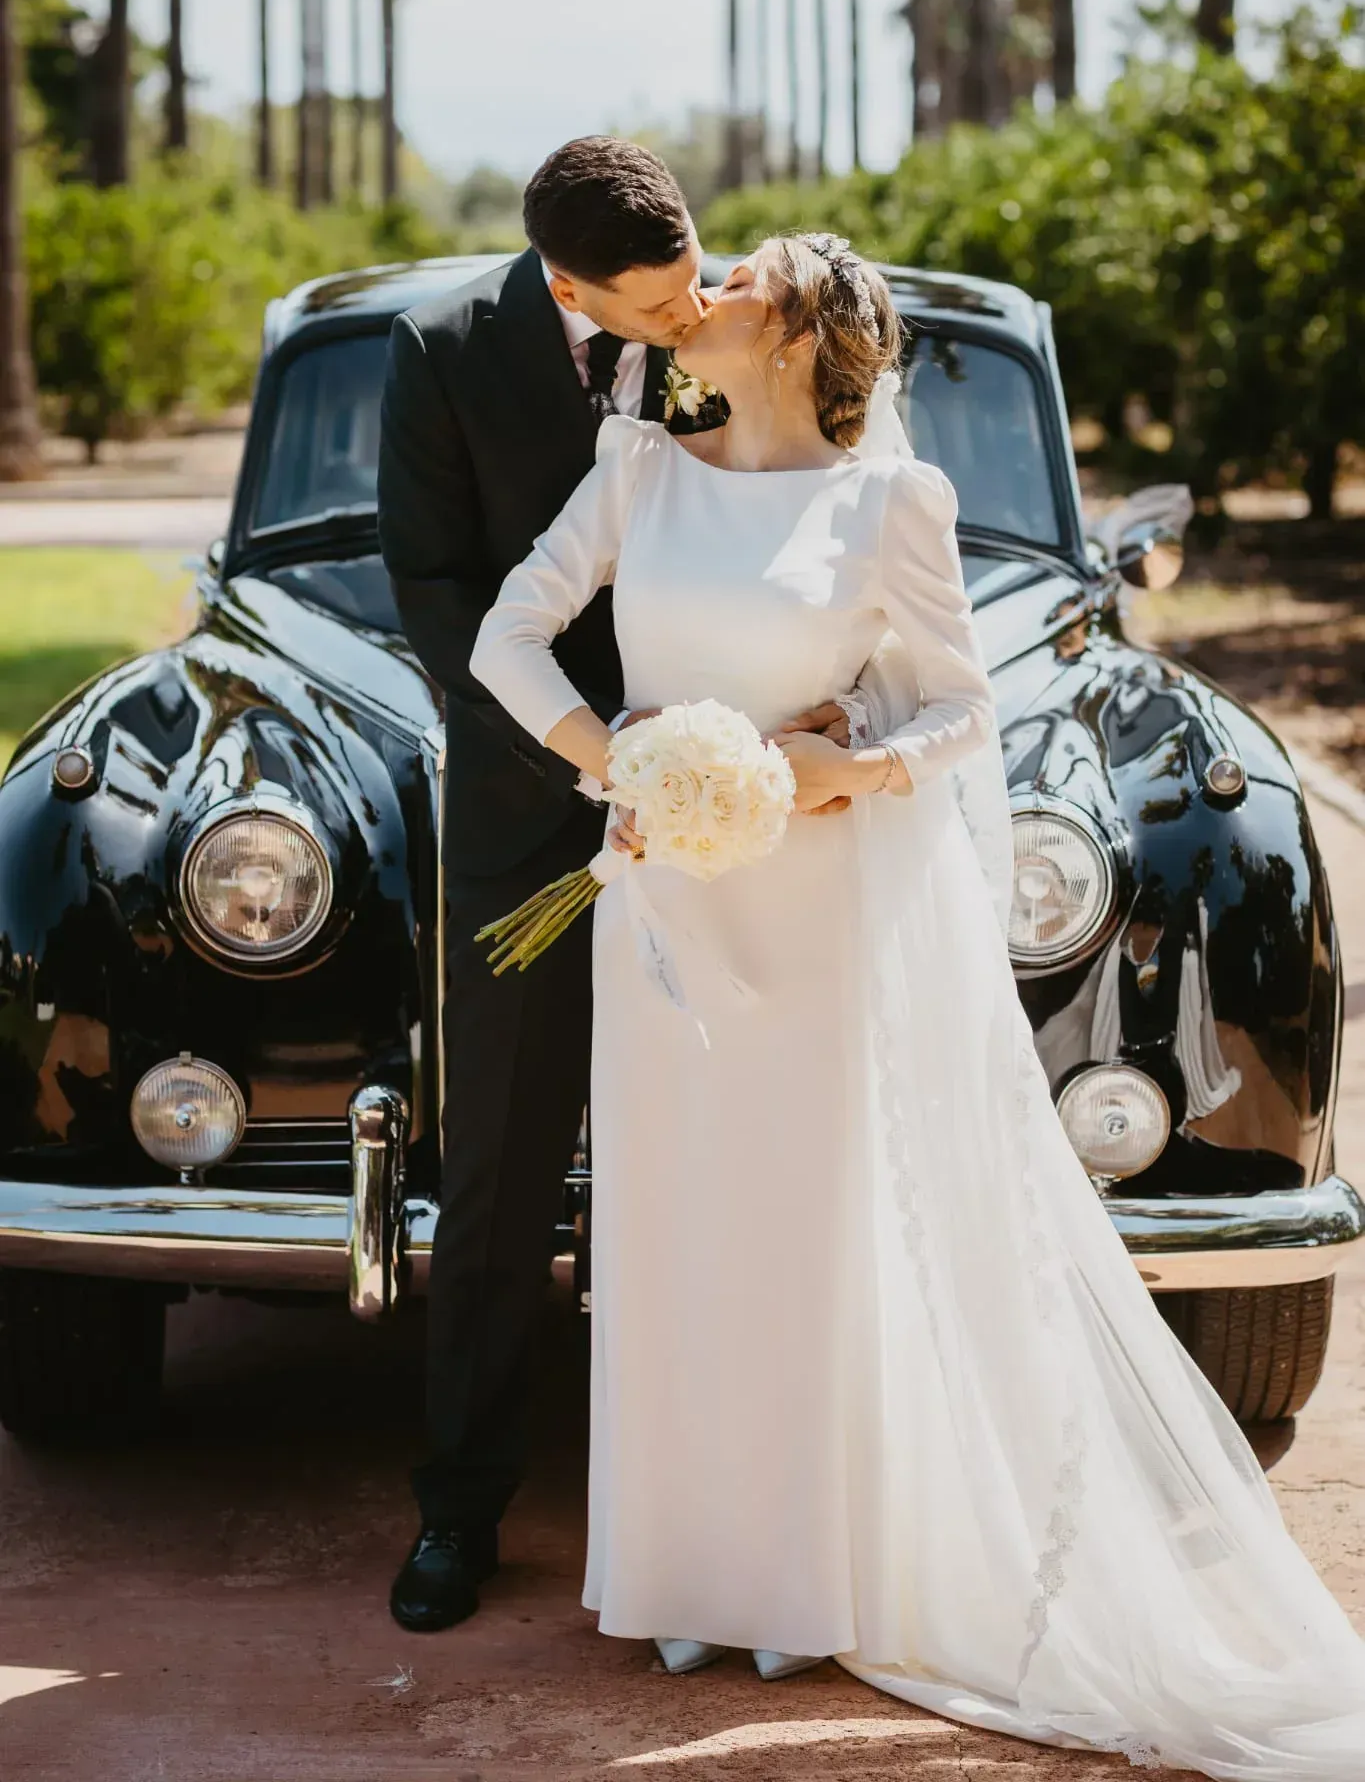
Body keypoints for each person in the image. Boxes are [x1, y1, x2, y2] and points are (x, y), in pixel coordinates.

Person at [468, 232, 1365, 1777]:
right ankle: (683, 1571)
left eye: (745, 272)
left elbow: (962, 709)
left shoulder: (894, 502)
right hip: (669, 907)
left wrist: (850, 771)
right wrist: (625, 766)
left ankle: (796, 1579)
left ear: (800, 335)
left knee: (804, 1234)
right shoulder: (636, 469)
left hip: (821, 909)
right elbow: (506, 639)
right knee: (676, 1226)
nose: (707, 284)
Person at [376, 143, 858, 1634]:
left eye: (693, 277)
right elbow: (439, 594)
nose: (686, 315)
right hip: (531, 816)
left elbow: (796, 521)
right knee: (503, 1168)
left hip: (735, 830)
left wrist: (769, 732)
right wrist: (606, 765)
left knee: (735, 1161)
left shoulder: (722, 328)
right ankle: (460, 1511)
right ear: (567, 289)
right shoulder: (440, 352)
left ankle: (738, 1517)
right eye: (651, 307)